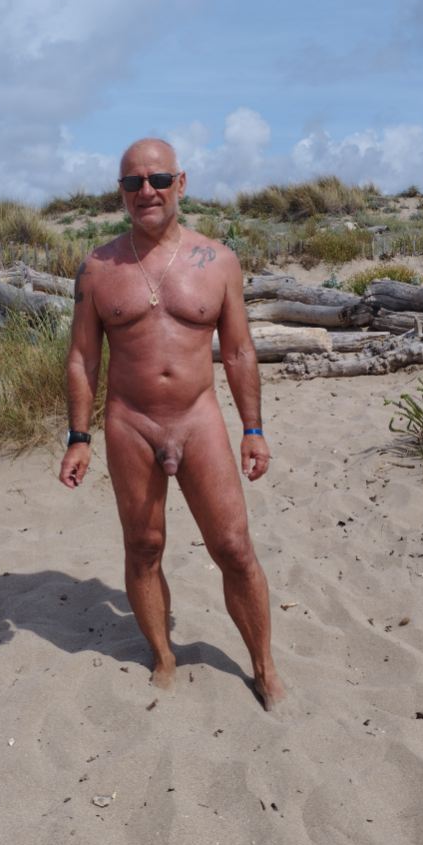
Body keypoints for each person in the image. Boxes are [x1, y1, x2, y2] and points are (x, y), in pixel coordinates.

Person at [58, 138, 286, 711]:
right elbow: (83, 358)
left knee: (233, 547)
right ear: (120, 192)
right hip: (130, 422)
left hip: (198, 418)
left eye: (158, 180)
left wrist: (252, 429)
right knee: (143, 547)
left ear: (180, 183)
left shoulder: (219, 261)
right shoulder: (98, 268)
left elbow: (239, 351)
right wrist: (79, 437)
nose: (147, 191)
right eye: (133, 183)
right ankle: (163, 656)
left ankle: (264, 668)